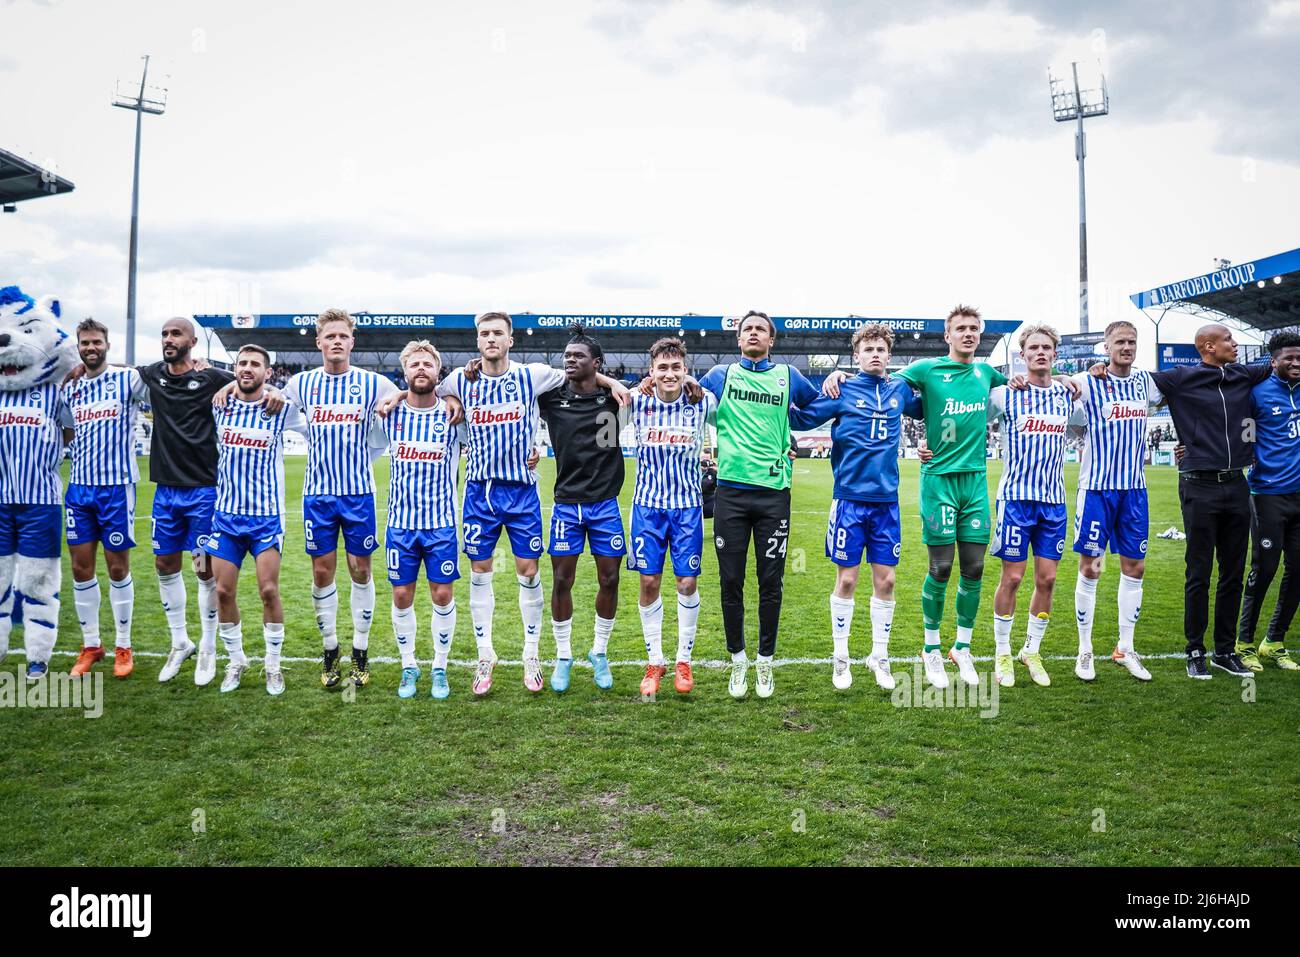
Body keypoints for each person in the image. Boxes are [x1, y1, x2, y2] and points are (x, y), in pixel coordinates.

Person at [434, 311, 627, 696]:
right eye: (484, 333)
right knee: (480, 571)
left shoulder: (534, 375)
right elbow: (429, 388)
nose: (491, 339)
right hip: (479, 491)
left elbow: (582, 374)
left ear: (510, 340)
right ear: (477, 342)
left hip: (523, 491)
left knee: (528, 572)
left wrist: (609, 380)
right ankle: (484, 655)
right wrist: (452, 395)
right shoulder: (459, 379)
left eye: (498, 333)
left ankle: (532, 654)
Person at [1106, 324, 1268, 678]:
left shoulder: (1243, 374)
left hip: (1237, 485)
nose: (1236, 344)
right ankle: (1194, 649)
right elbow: (1129, 376)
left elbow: (1283, 364)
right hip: (1198, 485)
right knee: (1199, 572)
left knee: (1232, 574)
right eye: (1228, 340)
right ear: (1208, 346)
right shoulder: (1180, 377)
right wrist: (1097, 368)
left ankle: (1224, 651)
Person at [693, 311, 824, 700]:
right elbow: (686, 398)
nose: (753, 333)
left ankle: (765, 661)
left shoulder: (789, 377)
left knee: (771, 582)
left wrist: (834, 382)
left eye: (760, 329)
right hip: (731, 494)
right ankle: (738, 660)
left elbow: (816, 409)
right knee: (730, 581)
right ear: (738, 340)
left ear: (771, 340)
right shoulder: (720, 376)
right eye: (746, 329)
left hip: (773, 495)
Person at [789, 323, 922, 691]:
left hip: (887, 504)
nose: (875, 354)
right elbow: (801, 417)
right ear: (857, 356)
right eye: (868, 349)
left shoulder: (899, 390)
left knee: (887, 580)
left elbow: (930, 405)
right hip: (848, 500)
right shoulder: (842, 389)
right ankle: (841, 657)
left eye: (881, 349)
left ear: (889, 355)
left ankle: (879, 656)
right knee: (846, 579)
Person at [276, 309, 399, 689]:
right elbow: (267, 400)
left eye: (342, 336)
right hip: (318, 495)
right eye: (330, 336)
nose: (336, 342)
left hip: (359, 494)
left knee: (360, 570)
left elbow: (406, 393)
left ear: (352, 341)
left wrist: (398, 399)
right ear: (319, 342)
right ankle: (330, 649)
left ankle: (360, 650)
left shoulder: (374, 383)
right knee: (322, 572)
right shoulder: (301, 384)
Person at [204, 344, 307, 695]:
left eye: (255, 364)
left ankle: (273, 665)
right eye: (242, 363)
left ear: (268, 372)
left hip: (266, 518)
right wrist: (225, 386)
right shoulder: (221, 404)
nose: (247, 368)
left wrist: (278, 393)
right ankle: (236, 660)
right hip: (227, 518)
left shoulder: (279, 408)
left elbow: (315, 422)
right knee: (223, 590)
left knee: (268, 590)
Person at [537, 325, 633, 693]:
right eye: (567, 356)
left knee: (610, 579)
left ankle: (599, 651)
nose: (569, 360)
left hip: (605, 506)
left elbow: (663, 384)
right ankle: (564, 656)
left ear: (596, 363)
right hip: (566, 506)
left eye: (578, 356)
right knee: (562, 580)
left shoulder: (617, 401)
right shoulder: (551, 399)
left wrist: (611, 384)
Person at [371, 341, 464, 700]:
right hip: (401, 525)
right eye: (414, 364)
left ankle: (439, 667)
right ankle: (409, 665)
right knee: (401, 595)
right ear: (405, 372)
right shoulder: (389, 415)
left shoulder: (453, 416)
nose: (421, 368)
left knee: (442, 595)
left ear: (438, 372)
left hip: (441, 525)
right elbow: (368, 446)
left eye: (428, 363)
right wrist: (393, 398)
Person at [1069, 320, 1161, 683]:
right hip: (1096, 489)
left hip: (1134, 491)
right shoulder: (1089, 382)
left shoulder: (1146, 383)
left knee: (1134, 568)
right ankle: (1085, 649)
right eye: (1120, 342)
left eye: (1132, 341)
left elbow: (1179, 394)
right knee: (1091, 568)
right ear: (1105, 348)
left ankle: (1125, 647)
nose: (1127, 347)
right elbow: (1061, 388)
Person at [987, 325, 1075, 688]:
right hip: (1015, 500)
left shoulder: (1070, 394)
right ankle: (1003, 651)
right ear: (1021, 355)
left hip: (1053, 502)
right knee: (1013, 577)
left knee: (1048, 579)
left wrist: (1079, 376)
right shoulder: (1004, 395)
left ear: (1055, 354)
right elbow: (963, 414)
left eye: (1047, 347)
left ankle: (1031, 649)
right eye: (1033, 348)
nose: (1040, 352)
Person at [627, 336, 713, 696]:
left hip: (688, 507)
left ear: (686, 370)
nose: (669, 373)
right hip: (647, 507)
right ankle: (655, 660)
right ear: (651, 371)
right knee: (649, 583)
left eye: (676, 367)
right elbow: (601, 388)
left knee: (686, 584)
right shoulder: (635, 401)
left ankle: (683, 660)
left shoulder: (703, 402)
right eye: (662, 367)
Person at [64, 319, 148, 679]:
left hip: (116, 488)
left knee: (117, 568)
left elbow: (161, 379)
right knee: (81, 569)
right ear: (78, 347)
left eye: (96, 342)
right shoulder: (70, 390)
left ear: (107, 345)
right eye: (85, 343)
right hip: (79, 489)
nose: (90, 347)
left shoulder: (127, 380)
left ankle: (124, 646)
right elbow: (65, 430)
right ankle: (91, 645)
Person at [1235, 331, 1300, 672]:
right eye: (1289, 357)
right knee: (1265, 569)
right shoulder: (1257, 394)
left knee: (1298, 569)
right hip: (1267, 495)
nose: (1295, 363)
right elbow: (1242, 433)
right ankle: (1244, 642)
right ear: (1273, 361)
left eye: (1299, 357)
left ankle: (1274, 641)